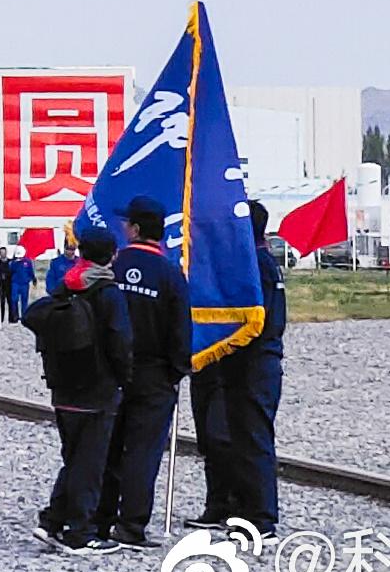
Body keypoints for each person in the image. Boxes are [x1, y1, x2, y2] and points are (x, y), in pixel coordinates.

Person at [25, 226, 132, 554]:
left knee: (74, 459)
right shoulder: (108, 292)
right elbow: (120, 340)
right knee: (90, 464)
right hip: (97, 389)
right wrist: (124, 378)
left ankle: (52, 521)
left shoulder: (65, 285)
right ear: (112, 256)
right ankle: (80, 533)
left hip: (63, 386)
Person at [94, 197, 190, 549]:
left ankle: (100, 519)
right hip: (155, 374)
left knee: (108, 445)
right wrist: (176, 371)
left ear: (134, 228)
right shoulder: (170, 273)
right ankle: (131, 525)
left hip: (111, 371)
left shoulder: (113, 266)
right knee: (143, 451)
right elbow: (181, 330)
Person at [198, 201, 285, 533]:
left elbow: (254, 323)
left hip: (254, 363)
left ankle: (261, 518)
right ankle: (242, 507)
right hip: (249, 364)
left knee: (253, 440)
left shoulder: (257, 266)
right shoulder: (260, 262)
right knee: (240, 438)